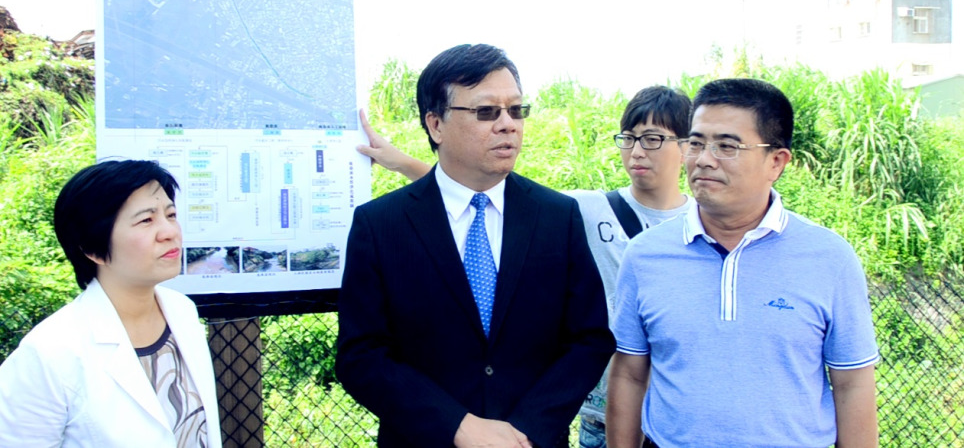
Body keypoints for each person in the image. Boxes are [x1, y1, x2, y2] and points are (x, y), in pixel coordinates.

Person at [356, 85, 695, 448]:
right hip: (603, 412)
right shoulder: (583, 207)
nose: (637, 151)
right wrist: (400, 162)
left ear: (687, 146)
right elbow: (474, 199)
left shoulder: (703, 227)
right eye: (628, 138)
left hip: (678, 413)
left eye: (653, 139)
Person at [336, 43, 614, 448]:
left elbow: (589, 340)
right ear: (436, 125)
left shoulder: (557, 216)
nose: (508, 124)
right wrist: (458, 426)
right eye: (486, 112)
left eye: (516, 110)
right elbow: (361, 356)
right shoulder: (381, 225)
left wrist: (526, 431)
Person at [607, 78, 880, 448]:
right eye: (696, 143)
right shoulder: (645, 255)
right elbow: (630, 374)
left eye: (727, 146)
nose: (704, 159)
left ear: (776, 162)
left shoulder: (829, 258)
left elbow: (853, 384)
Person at [0, 160, 222, 448]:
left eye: (171, 215)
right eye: (146, 220)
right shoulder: (48, 353)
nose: (169, 232)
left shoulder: (182, 311)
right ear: (93, 249)